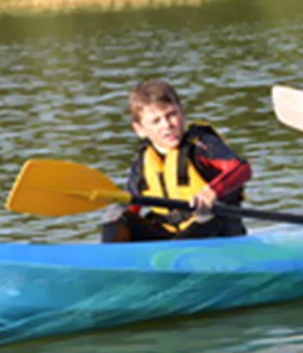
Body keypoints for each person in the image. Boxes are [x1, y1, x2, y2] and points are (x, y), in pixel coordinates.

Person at [101, 80, 252, 242]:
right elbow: (132, 206)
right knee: (116, 216)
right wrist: (118, 217)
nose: (167, 125)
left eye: (171, 115)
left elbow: (242, 169)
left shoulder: (201, 144)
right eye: (156, 121)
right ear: (140, 129)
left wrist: (212, 191)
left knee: (206, 220)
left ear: (182, 113)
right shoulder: (143, 163)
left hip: (214, 229)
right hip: (169, 234)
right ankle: (110, 259)